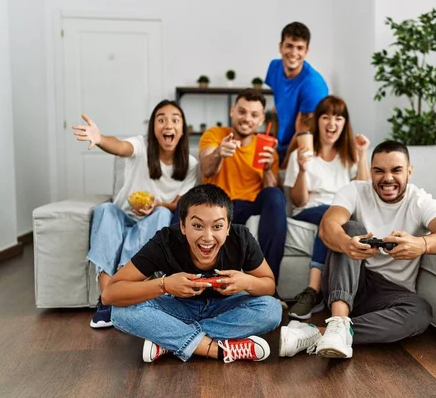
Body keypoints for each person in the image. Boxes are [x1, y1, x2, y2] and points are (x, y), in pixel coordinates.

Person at [278, 141, 436, 359]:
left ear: (409, 171)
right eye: (379, 171)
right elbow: (328, 226)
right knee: (350, 228)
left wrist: (420, 244)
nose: (387, 178)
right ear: (371, 172)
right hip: (351, 280)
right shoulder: (354, 191)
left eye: (396, 170)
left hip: (391, 294)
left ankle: (320, 334)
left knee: (421, 313)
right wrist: (346, 243)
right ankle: (339, 320)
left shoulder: (420, 201)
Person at [105, 184, 282, 363]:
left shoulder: (241, 238)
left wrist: (247, 282)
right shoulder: (165, 240)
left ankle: (169, 342)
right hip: (179, 308)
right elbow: (110, 294)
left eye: (217, 226)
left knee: (272, 309)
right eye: (197, 225)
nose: (207, 237)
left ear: (228, 227)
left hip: (225, 309)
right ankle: (213, 349)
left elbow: (269, 285)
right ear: (183, 225)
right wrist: (164, 285)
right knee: (120, 312)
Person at [71, 100, 198, 329]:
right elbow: (120, 146)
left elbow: (180, 204)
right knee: (105, 209)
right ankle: (107, 300)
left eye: (175, 120)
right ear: (153, 128)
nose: (168, 124)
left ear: (182, 130)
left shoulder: (190, 164)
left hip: (152, 222)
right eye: (161, 119)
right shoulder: (141, 146)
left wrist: (157, 203)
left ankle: (122, 289)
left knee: (160, 213)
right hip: (122, 218)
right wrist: (100, 139)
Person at [284, 95, 370, 319]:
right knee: (329, 217)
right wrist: (303, 169)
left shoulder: (349, 157)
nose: (332, 123)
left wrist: (361, 156)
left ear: (345, 123)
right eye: (326, 117)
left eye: (338, 118)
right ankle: (313, 290)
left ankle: (338, 297)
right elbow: (298, 201)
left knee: (346, 224)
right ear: (317, 122)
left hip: (342, 213)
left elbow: (363, 190)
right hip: (310, 211)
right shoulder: (300, 155)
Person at [198, 89, 287, 291]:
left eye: (254, 115)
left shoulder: (266, 146)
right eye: (242, 112)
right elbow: (206, 168)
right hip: (219, 205)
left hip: (251, 205)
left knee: (275, 195)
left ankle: (268, 286)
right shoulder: (215, 134)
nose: (247, 119)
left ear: (261, 119)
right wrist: (220, 153)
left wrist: (267, 169)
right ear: (232, 111)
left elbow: (273, 193)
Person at [265, 21, 329, 166]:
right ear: (280, 47)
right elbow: (277, 109)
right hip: (280, 144)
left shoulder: (313, 85)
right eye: (289, 46)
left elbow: (303, 132)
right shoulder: (274, 67)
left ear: (306, 51)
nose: (294, 53)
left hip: (302, 149)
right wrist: (272, 146)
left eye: (299, 48)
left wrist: (283, 166)